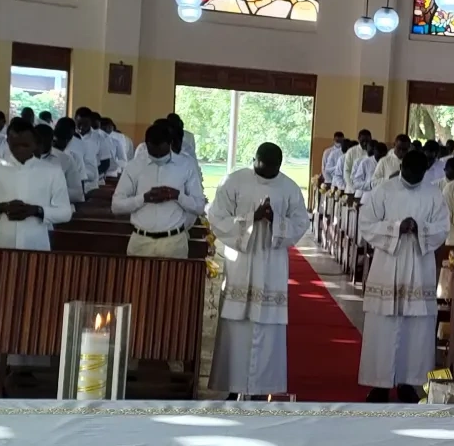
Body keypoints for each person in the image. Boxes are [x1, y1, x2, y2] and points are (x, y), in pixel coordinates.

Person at [210, 142, 310, 396]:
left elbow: (301, 222)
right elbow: (216, 217)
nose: (268, 171)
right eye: (263, 166)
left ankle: (261, 388)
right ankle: (233, 387)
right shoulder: (234, 181)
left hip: (272, 264)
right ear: (253, 159)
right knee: (238, 325)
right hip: (241, 263)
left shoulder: (288, 187)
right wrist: (250, 219)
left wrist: (276, 220)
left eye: (274, 168)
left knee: (267, 326)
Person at [357, 147, 449, 402]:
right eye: (409, 171)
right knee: (384, 327)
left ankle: (409, 382)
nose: (414, 176)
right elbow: (366, 224)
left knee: (415, 330)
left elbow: (442, 228)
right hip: (388, 266)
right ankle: (380, 383)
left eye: (419, 172)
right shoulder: (384, 191)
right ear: (402, 167)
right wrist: (397, 228)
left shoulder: (433, 195)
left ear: (425, 171)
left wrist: (420, 230)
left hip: (419, 269)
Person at [0, 118, 73, 250]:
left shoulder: (52, 171)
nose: (20, 150)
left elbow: (65, 213)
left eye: (25, 145)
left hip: (36, 244)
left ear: (35, 144)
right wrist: (2, 207)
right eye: (15, 145)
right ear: (7, 142)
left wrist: (36, 211)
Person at [111, 121, 205, 257]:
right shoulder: (135, 166)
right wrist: (143, 198)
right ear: (146, 144)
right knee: (137, 278)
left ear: (170, 144)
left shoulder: (186, 166)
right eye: (153, 153)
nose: (158, 158)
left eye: (162, 154)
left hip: (174, 241)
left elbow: (199, 206)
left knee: (174, 279)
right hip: (141, 241)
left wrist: (177, 196)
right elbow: (116, 206)